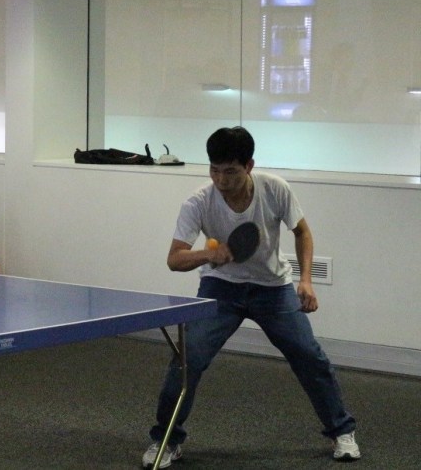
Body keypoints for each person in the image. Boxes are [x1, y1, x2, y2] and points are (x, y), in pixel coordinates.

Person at [142, 127, 359, 468]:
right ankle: (166, 440)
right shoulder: (198, 202)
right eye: (214, 170)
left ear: (249, 166)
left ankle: (341, 431)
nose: (221, 179)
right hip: (220, 289)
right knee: (187, 360)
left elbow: (302, 232)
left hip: (272, 288)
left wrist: (305, 280)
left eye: (230, 171)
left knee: (309, 356)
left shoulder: (275, 189)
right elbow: (174, 259)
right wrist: (208, 255)